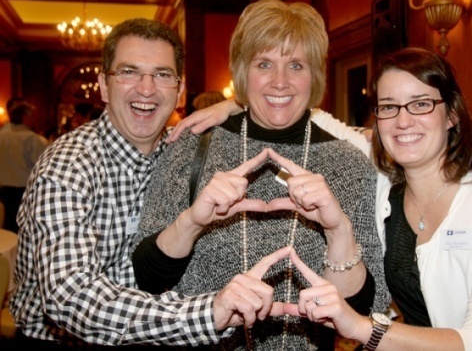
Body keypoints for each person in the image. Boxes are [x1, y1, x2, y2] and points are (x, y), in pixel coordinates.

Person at [9, 17, 292, 349]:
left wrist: (237, 104)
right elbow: (70, 298)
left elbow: (302, 110)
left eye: (161, 75)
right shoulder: (69, 165)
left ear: (179, 89)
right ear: (103, 85)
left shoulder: (180, 150)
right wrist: (207, 313)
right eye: (128, 72)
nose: (146, 89)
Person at [131, 0, 390, 350]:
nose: (280, 81)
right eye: (264, 64)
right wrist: (192, 221)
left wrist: (338, 229)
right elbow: (145, 278)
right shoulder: (193, 149)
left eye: (296, 65)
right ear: (242, 72)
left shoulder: (349, 163)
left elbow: (366, 310)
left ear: (315, 74)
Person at [278, 47, 472, 350]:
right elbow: (319, 122)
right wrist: (235, 104)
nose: (403, 121)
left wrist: (361, 327)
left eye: (420, 104)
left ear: (451, 115)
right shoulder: (383, 183)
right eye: (388, 107)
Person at [0, 97, 49, 232]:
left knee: (7, 226)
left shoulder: (2, 135)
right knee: (23, 230)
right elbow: (44, 165)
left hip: (4, 190)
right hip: (23, 191)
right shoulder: (31, 138)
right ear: (25, 117)